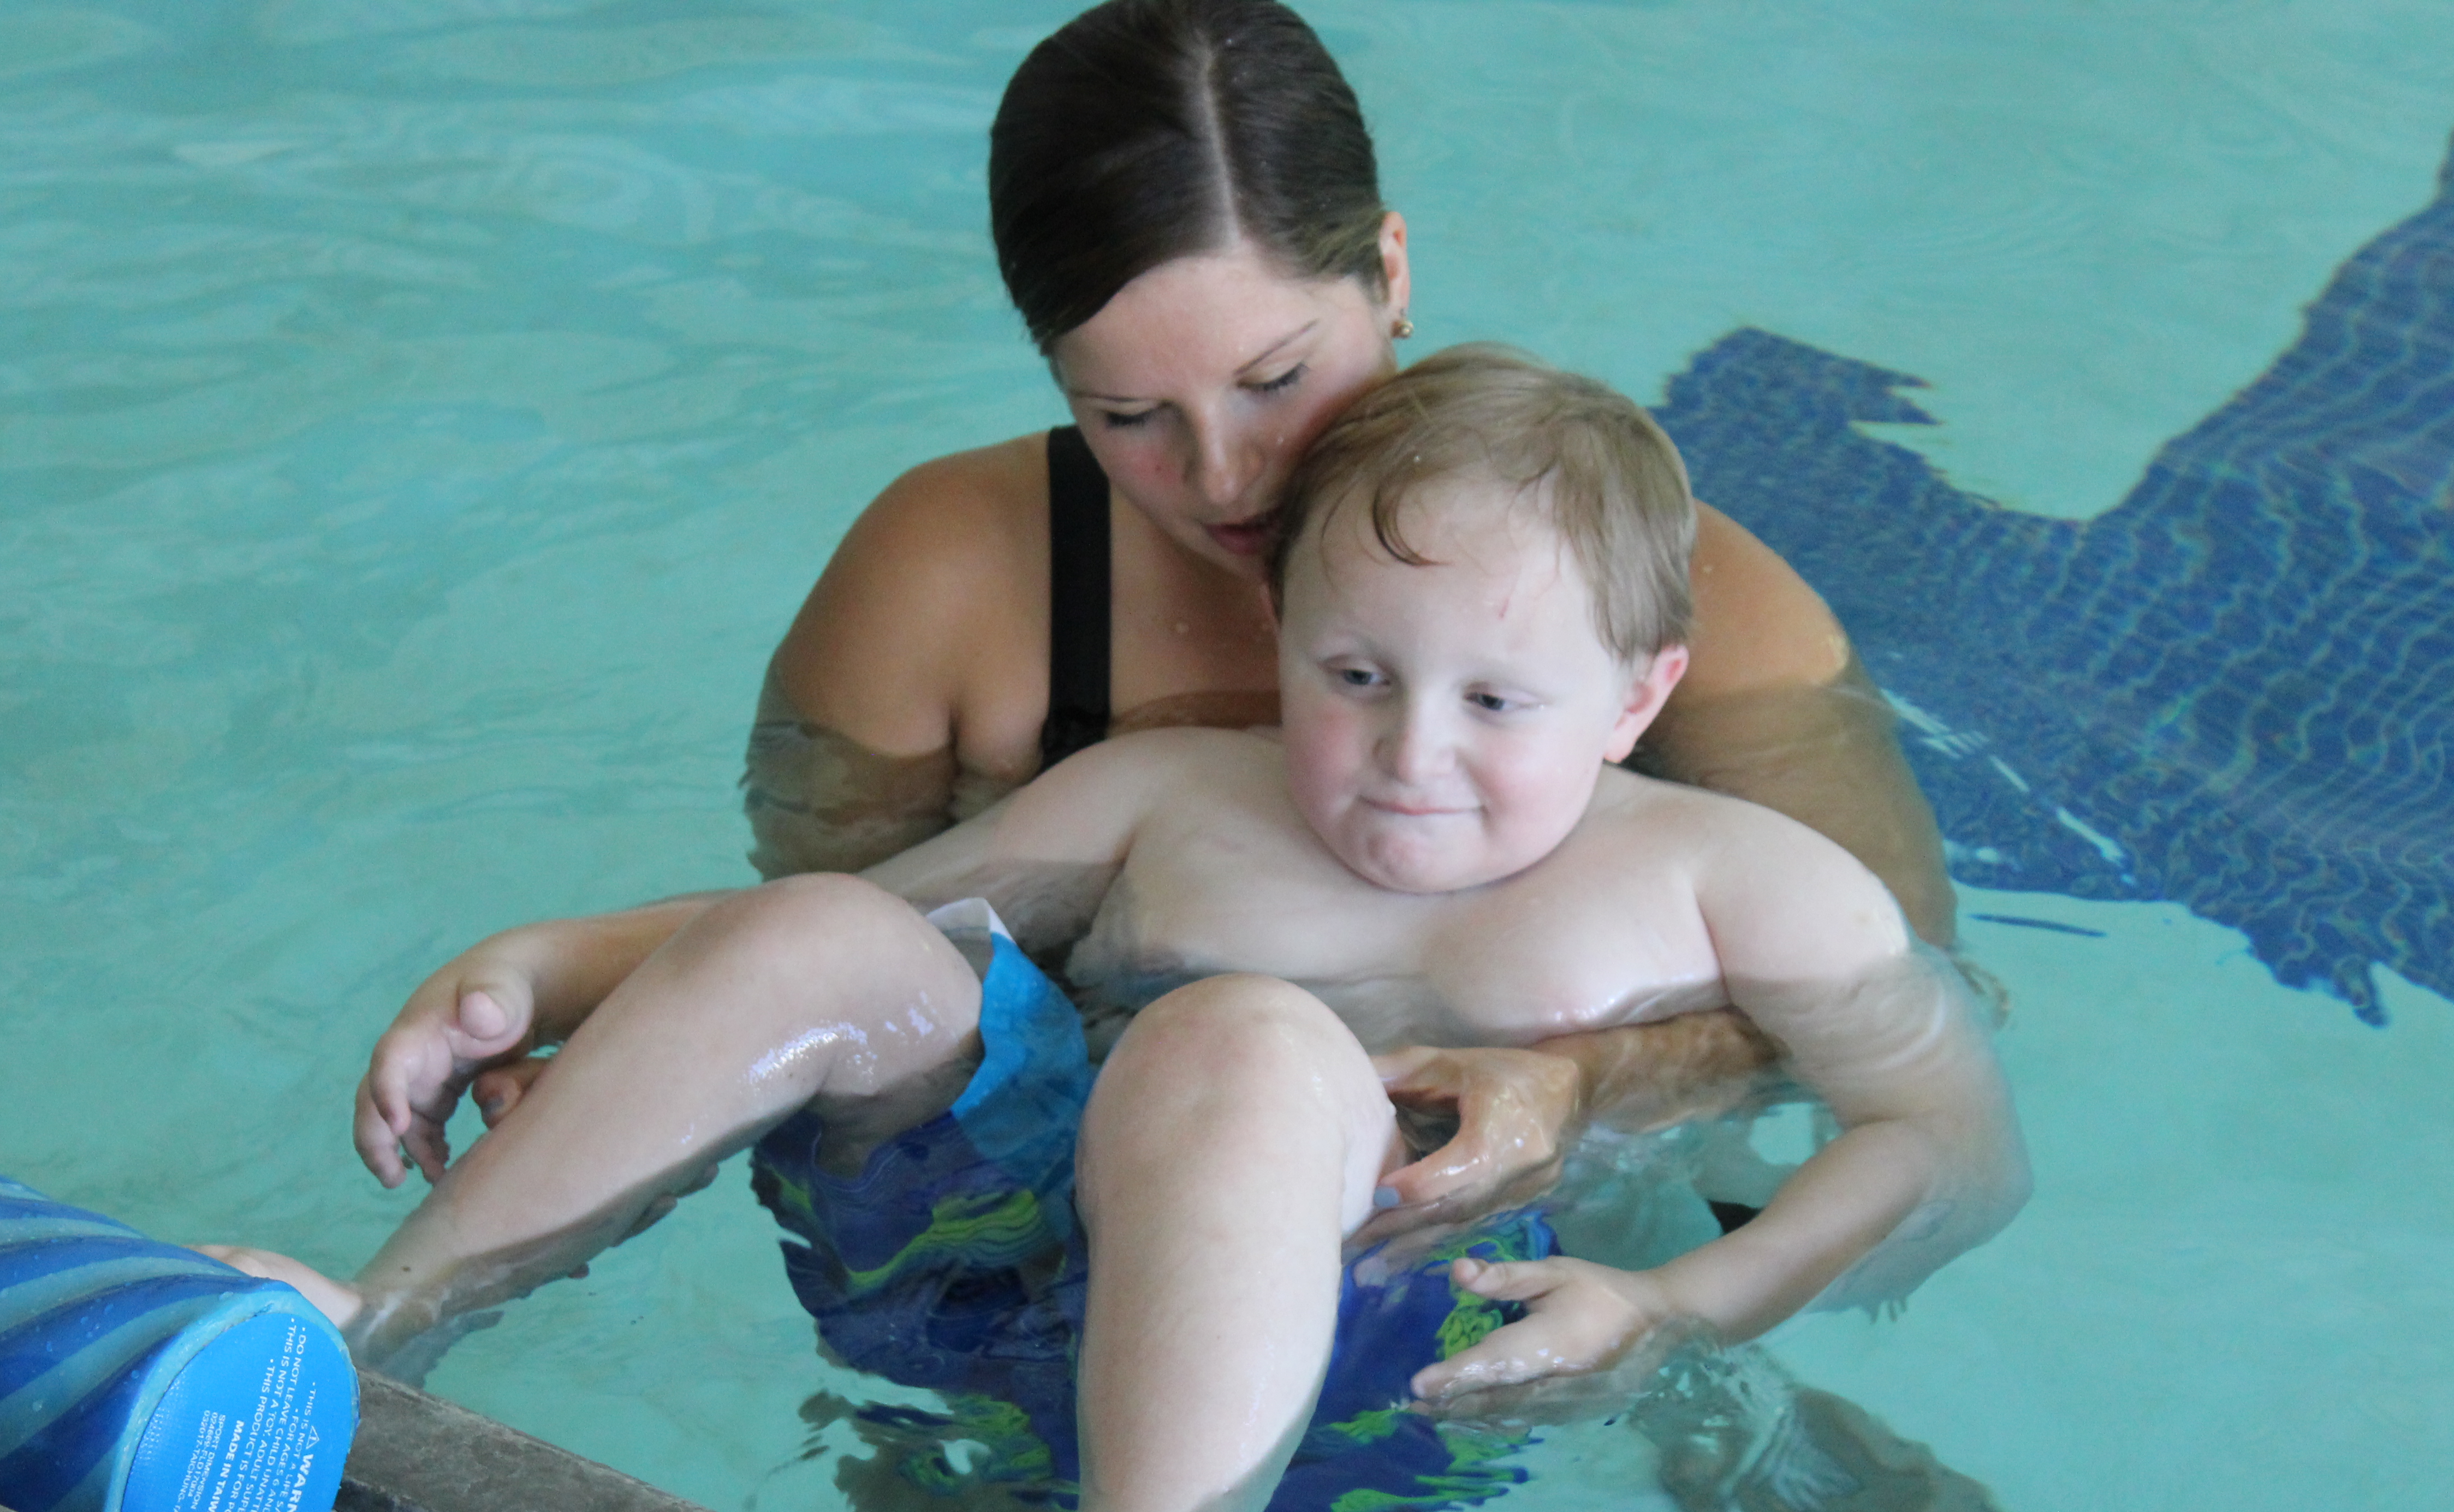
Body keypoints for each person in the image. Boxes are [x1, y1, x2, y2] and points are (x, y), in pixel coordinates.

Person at [213, 349, 2028, 1512]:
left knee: (1235, 1037)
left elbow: (1952, 1146)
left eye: (1496, 698)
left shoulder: (1742, 885)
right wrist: (545, 961)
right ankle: (388, 1319)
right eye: (1352, 676)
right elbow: (844, 936)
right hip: (1003, 1291)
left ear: (1641, 696)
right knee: (833, 928)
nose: (1410, 753)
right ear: (1279, 621)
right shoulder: (1177, 792)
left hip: (1387, 1377)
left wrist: (1674, 1303)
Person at [745, 0, 1960, 1234]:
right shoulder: (947, 577)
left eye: (1275, 379)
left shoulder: (1694, 597)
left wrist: (1583, 1081)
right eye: (1128, 416)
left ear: (1390, 274)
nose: (1226, 478)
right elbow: (820, 977)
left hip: (1522, 1231)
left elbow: (1914, 1002)